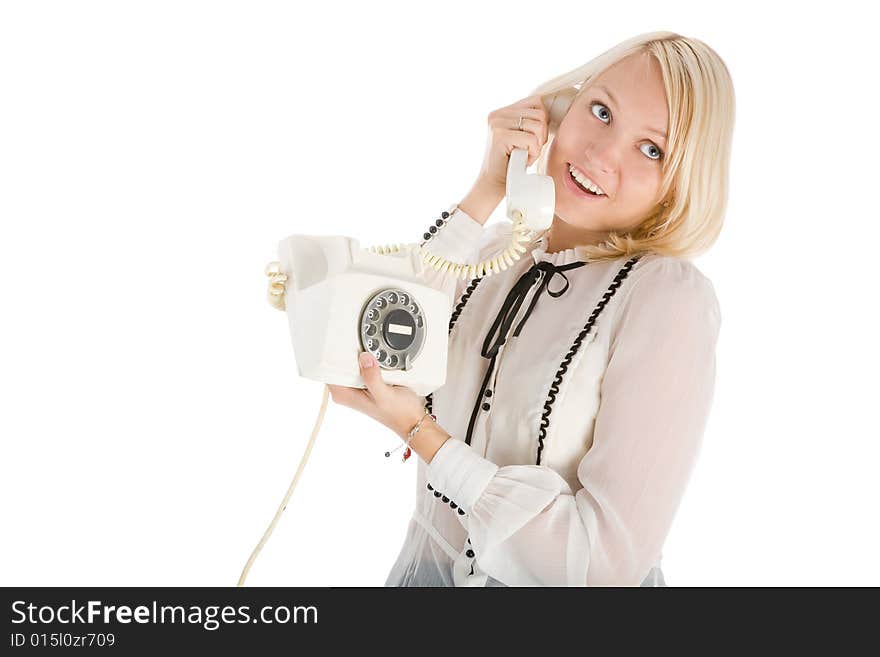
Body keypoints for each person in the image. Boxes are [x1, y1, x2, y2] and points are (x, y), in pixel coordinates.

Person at [326, 30, 735, 586]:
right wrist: (490, 185)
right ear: (560, 108)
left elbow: (600, 568)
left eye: (652, 148)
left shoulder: (666, 299)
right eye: (600, 110)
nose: (599, 153)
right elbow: (385, 337)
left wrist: (419, 432)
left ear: (681, 183)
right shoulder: (494, 253)